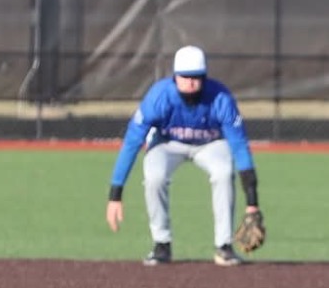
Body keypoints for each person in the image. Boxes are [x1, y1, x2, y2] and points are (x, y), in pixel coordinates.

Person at [105, 45, 260, 267]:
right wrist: (115, 194)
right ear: (175, 77)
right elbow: (131, 143)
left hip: (210, 144)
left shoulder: (220, 98)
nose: (190, 82)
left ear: (204, 77)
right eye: (185, 76)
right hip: (168, 144)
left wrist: (252, 203)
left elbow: (240, 147)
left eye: (196, 77)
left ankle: (224, 246)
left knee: (224, 172)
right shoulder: (159, 97)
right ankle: (161, 244)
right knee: (154, 177)